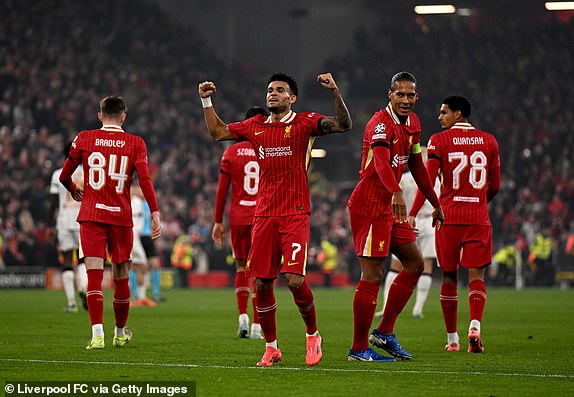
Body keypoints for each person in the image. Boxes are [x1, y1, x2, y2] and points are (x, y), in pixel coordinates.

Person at [199, 72, 352, 367]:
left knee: (294, 280)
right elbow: (217, 132)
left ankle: (312, 334)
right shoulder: (254, 126)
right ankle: (271, 347)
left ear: (292, 98)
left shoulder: (305, 122)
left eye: (280, 90)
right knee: (263, 285)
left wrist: (335, 92)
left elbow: (344, 125)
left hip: (295, 212)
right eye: (270, 90)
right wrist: (206, 100)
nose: (273, 93)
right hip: (264, 214)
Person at [347, 71, 444, 363]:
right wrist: (397, 193)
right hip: (370, 206)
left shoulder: (413, 124)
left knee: (414, 264)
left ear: (417, 97)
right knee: (373, 275)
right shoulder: (379, 124)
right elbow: (379, 162)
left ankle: (385, 332)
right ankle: (359, 348)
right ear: (389, 94)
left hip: (390, 207)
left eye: (410, 95)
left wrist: (435, 202)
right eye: (399, 94)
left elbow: (417, 165)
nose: (405, 99)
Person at [59, 96, 161, 349]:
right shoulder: (136, 143)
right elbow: (145, 181)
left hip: (92, 216)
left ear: (100, 115)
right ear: (124, 116)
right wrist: (156, 211)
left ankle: (96, 335)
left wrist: (73, 188)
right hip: (120, 217)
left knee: (93, 276)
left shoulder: (84, 138)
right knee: (121, 276)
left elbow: (64, 176)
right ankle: (119, 332)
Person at [409, 95, 500, 353]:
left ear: (458, 114)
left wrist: (414, 212)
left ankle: (452, 340)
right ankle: (474, 326)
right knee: (476, 276)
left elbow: (427, 181)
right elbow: (496, 186)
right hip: (478, 218)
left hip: (447, 218)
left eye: (444, 112)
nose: (439, 117)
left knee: (449, 276)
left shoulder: (438, 140)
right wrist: (480, 201)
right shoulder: (489, 141)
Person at [212, 106, 268, 340]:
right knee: (259, 271)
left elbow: (222, 190)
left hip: (237, 217)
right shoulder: (267, 150)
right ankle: (257, 326)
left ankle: (242, 318)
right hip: (261, 216)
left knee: (240, 266)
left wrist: (217, 221)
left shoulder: (231, 153)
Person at [378, 147, 440, 319]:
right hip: (413, 221)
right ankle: (396, 308)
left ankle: (416, 309)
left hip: (418, 221)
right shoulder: (433, 181)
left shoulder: (406, 179)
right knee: (413, 265)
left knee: (413, 265)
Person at [48, 142, 88, 313]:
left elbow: (52, 203)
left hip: (64, 220)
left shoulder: (58, 174)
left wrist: (50, 225)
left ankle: (71, 303)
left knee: (66, 260)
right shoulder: (86, 173)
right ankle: (84, 289)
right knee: (83, 259)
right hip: (82, 219)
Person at [129, 183, 156, 307]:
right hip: (132, 235)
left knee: (135, 266)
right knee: (140, 265)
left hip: (135, 235)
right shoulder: (134, 200)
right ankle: (137, 297)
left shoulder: (139, 202)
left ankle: (140, 297)